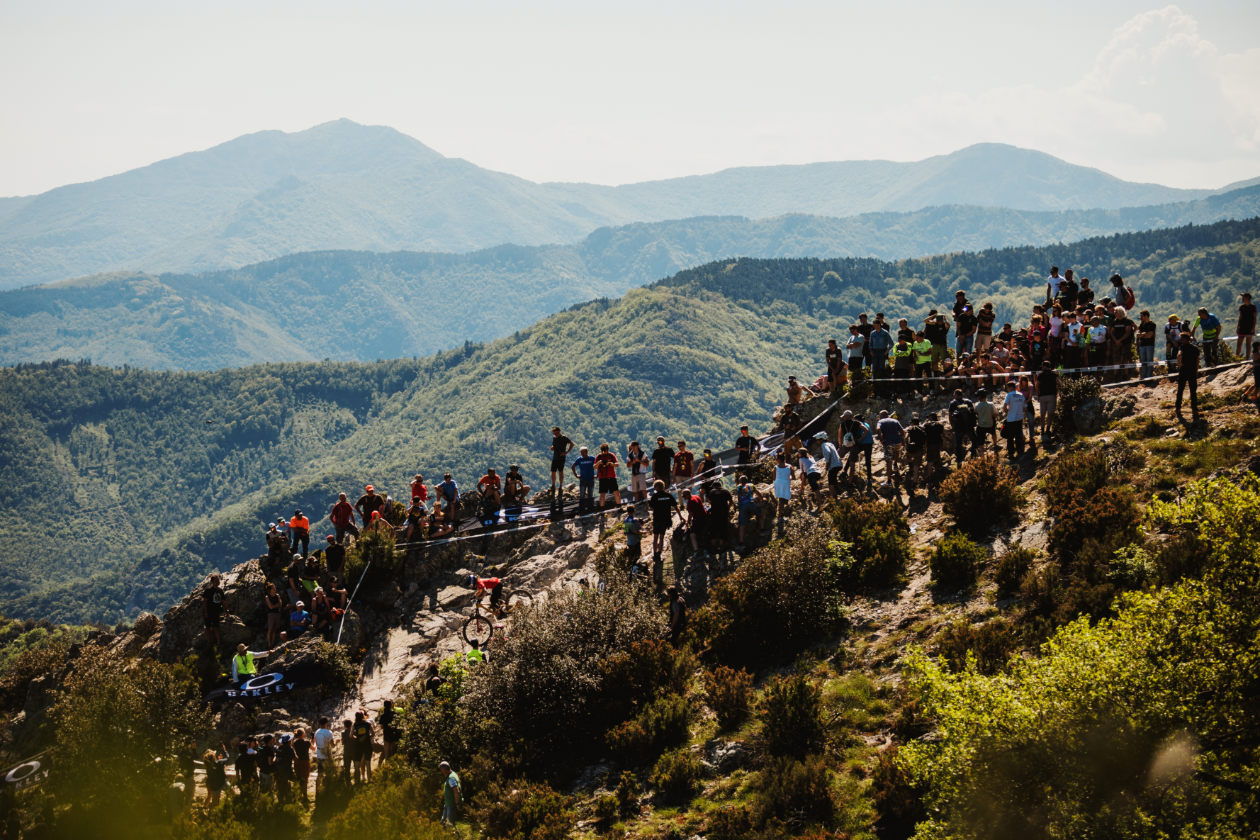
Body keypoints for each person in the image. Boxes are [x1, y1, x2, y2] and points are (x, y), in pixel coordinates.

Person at [647, 479, 678, 568]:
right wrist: (680, 516)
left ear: (656, 487)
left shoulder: (655, 496)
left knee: (655, 537)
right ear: (663, 486)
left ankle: (655, 553)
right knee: (661, 537)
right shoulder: (668, 495)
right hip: (666, 519)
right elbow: (675, 506)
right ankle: (659, 553)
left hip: (657, 519)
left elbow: (651, 507)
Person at [1175, 330, 1201, 418]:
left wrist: (1179, 365)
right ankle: (1194, 408)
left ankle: (1178, 408)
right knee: (1193, 391)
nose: (1180, 341)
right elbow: (1198, 360)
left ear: (1185, 339)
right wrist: (1197, 370)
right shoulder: (1195, 348)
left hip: (1183, 370)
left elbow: (1178, 355)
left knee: (1180, 389)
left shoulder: (1182, 347)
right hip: (1192, 371)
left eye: (1181, 339)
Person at [948, 389, 977, 465]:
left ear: (956, 395)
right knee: (974, 440)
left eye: (954, 395)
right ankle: (974, 455)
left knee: (958, 443)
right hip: (969, 426)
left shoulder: (953, 403)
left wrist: (953, 426)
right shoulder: (968, 401)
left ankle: (959, 459)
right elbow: (973, 413)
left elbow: (950, 416)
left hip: (958, 427)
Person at [1001, 381, 1027, 458]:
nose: (1007, 390)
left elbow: (1005, 407)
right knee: (1018, 436)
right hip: (1019, 418)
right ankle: (1020, 452)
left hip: (1011, 419)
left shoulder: (1009, 395)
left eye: (1007, 388)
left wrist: (1008, 412)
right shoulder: (1021, 394)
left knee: (1010, 437)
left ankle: (1011, 453)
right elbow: (1025, 408)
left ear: (1010, 387)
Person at [549, 427, 574, 498]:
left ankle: (560, 485)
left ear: (559, 431)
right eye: (554, 432)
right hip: (555, 457)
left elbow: (572, 444)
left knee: (560, 471)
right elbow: (554, 445)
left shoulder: (564, 438)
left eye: (556, 432)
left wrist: (567, 452)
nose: (555, 434)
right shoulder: (554, 438)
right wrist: (552, 447)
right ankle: (553, 485)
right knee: (553, 471)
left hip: (561, 457)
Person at [571, 446, 597, 513]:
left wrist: (598, 475)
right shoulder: (579, 459)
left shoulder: (592, 458)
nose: (582, 454)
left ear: (586, 452)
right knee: (582, 495)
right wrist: (576, 475)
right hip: (583, 479)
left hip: (591, 479)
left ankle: (590, 509)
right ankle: (582, 510)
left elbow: (598, 465)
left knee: (590, 495)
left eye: (583, 452)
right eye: (581, 452)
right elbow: (573, 466)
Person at [350, 711, 374, 783]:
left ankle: (358, 781)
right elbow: (373, 734)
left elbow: (350, 735)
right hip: (367, 744)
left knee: (357, 764)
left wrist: (357, 738)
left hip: (358, 745)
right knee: (368, 763)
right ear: (363, 716)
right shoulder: (368, 724)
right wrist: (366, 736)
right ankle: (369, 780)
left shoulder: (355, 725)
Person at [202, 574, 225, 647]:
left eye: (218, 580)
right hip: (208, 612)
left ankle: (218, 642)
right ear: (212, 582)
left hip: (216, 612)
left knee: (216, 627)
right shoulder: (208, 590)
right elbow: (205, 602)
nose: (218, 582)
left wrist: (227, 611)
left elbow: (223, 601)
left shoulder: (220, 591)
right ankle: (210, 642)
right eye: (216, 581)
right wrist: (205, 612)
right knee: (207, 627)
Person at [313, 717, 336, 789]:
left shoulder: (316, 732)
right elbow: (332, 745)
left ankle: (317, 789)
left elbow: (316, 744)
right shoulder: (328, 732)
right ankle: (328, 789)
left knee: (320, 774)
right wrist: (337, 741)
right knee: (329, 773)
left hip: (319, 754)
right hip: (327, 755)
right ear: (326, 723)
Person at [293, 728, 312, 804]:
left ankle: (298, 796)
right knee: (305, 779)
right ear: (302, 734)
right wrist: (312, 741)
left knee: (299, 778)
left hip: (297, 762)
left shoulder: (294, 742)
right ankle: (305, 797)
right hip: (305, 762)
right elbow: (313, 748)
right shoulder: (307, 742)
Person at [1136, 310, 1157, 380]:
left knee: (1149, 361)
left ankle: (1149, 377)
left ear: (1146, 316)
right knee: (1143, 361)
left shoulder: (1152, 324)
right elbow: (1138, 334)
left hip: (1149, 345)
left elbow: (1150, 335)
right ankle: (1143, 377)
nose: (1140, 318)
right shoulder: (1142, 325)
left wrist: (1142, 335)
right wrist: (1143, 334)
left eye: (1141, 316)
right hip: (1142, 345)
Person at [275, 733, 296, 803]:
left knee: (280, 788)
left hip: (279, 771)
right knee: (288, 788)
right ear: (289, 741)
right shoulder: (290, 749)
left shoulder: (279, 748)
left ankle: (280, 803)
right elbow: (295, 759)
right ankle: (289, 803)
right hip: (287, 771)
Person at [439, 761, 462, 826]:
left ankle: (457, 835)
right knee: (443, 821)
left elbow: (456, 791)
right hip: (447, 803)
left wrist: (457, 803)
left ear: (444, 769)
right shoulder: (453, 774)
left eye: (441, 770)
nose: (441, 772)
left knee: (450, 823)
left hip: (451, 804)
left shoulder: (451, 778)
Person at [772, 452, 793, 517]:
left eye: (776, 459)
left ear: (779, 460)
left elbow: (774, 478)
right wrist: (789, 477)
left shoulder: (776, 467)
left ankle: (780, 515)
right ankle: (781, 515)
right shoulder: (789, 466)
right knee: (784, 498)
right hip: (786, 483)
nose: (776, 460)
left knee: (781, 499)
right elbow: (793, 477)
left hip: (778, 483)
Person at [1236, 293, 1256, 358]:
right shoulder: (1242, 307)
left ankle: (1247, 358)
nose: (1243, 299)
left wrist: (1253, 328)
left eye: (1244, 298)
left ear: (1247, 298)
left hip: (1249, 327)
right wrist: (1238, 327)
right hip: (1242, 327)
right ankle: (1237, 357)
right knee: (1239, 343)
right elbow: (1240, 317)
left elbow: (1254, 318)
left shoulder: (1253, 307)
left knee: (1248, 344)